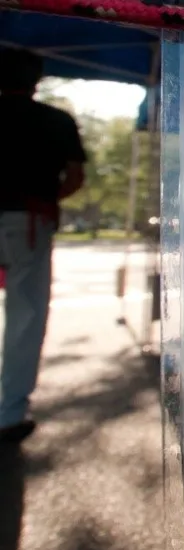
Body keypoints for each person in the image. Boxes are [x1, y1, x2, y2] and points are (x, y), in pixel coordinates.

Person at [0, 48, 86, 444]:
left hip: (25, 216)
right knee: (24, 315)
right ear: (37, 79)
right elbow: (73, 177)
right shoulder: (55, 121)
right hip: (28, 220)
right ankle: (8, 413)